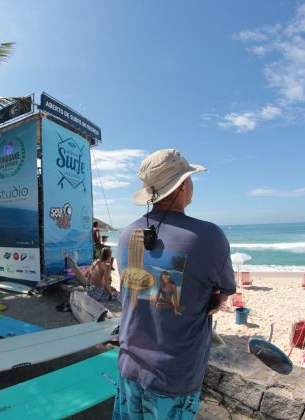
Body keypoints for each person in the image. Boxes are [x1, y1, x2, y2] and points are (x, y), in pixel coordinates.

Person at [113, 149, 236, 419]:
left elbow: (135, 290)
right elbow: (222, 293)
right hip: (174, 375)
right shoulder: (208, 236)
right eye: (189, 177)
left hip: (128, 365)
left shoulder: (124, 236)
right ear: (182, 186)